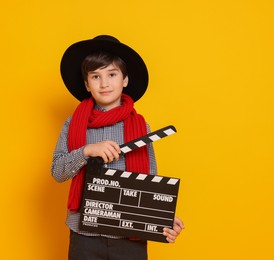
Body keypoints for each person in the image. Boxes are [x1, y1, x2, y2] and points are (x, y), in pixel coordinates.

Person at [52, 35, 185, 260]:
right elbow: (57, 172)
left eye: (111, 74)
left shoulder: (141, 126)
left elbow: (149, 180)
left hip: (129, 234)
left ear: (124, 80)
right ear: (87, 84)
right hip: (84, 233)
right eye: (96, 76)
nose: (104, 83)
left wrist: (161, 216)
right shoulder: (72, 123)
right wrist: (86, 151)